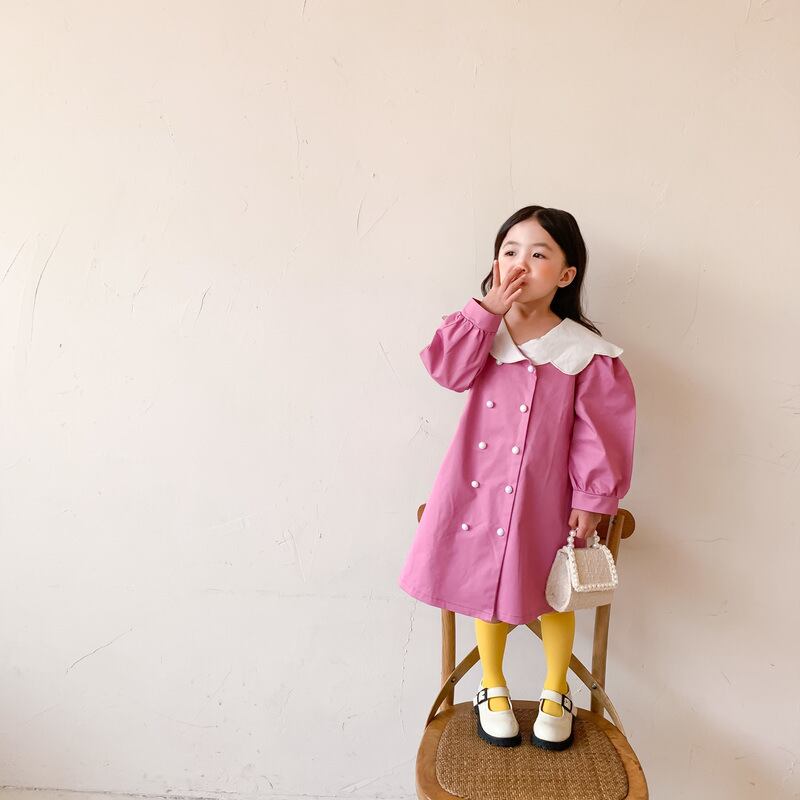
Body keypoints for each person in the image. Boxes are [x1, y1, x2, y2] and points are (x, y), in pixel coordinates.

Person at [397, 205, 637, 750]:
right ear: (494, 264)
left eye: (538, 253)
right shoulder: (480, 333)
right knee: (482, 584)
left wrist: (593, 497)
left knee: (554, 592)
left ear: (566, 274)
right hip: (476, 493)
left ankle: (556, 691)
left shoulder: (585, 352)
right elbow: (447, 371)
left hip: (545, 500)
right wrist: (486, 312)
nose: (520, 263)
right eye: (509, 251)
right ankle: (493, 686)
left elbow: (600, 433)